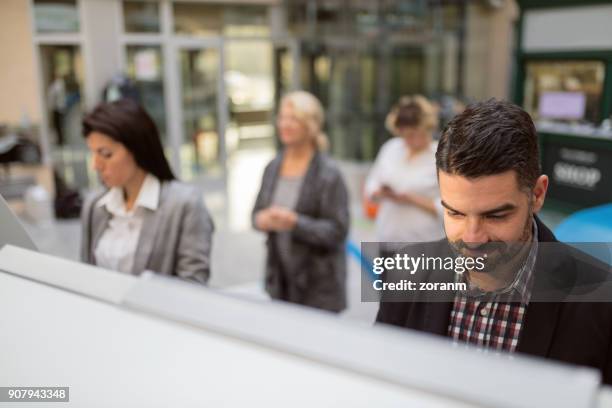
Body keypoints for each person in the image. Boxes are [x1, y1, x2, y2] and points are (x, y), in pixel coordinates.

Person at [376, 99, 612, 384]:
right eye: (455, 213)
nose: (473, 238)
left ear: (537, 194)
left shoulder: (601, 303)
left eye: (496, 216)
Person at [80, 99, 214, 284]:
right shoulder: (95, 204)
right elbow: (86, 274)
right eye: (93, 153)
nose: (96, 165)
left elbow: (193, 285)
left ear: (138, 149)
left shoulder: (184, 204)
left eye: (106, 154)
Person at [252, 91, 349, 312]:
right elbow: (255, 214)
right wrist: (263, 219)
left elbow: (337, 231)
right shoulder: (272, 167)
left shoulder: (329, 173)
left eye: (293, 119)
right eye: (282, 117)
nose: (285, 124)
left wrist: (295, 223)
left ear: (310, 125)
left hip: (318, 288)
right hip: (280, 282)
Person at [364, 95, 444, 245]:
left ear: (427, 128)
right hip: (387, 240)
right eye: (404, 134)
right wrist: (378, 192)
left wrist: (412, 199)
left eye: (413, 134)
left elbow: (449, 207)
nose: (408, 140)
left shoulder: (442, 156)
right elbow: (372, 183)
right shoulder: (391, 148)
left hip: (424, 245)